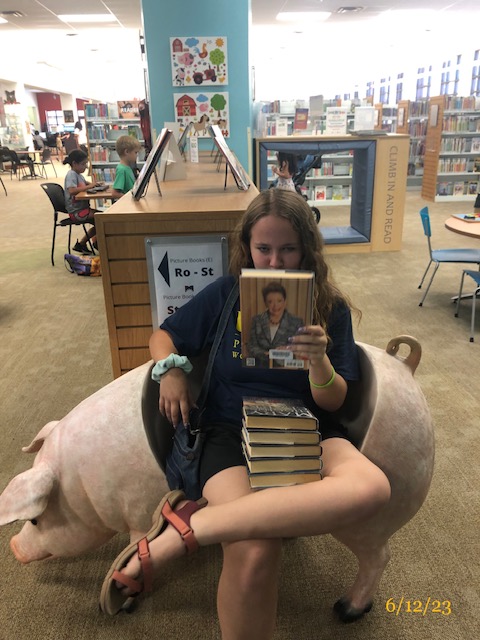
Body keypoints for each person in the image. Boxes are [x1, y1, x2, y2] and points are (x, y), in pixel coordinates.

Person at [100, 189, 391, 638]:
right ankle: (220, 526)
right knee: (255, 549)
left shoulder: (327, 307)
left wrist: (319, 360)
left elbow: (335, 401)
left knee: (373, 487)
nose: (274, 263)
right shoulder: (228, 293)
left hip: (308, 428)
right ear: (247, 247)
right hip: (229, 430)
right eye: (264, 249)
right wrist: (170, 371)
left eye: (288, 249)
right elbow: (164, 335)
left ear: (307, 248)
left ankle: (181, 535)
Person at [246, 281, 304, 368]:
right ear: (265, 303)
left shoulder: (296, 322)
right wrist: (267, 354)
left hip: (288, 368)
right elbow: (251, 346)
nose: (275, 306)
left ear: (285, 302)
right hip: (261, 367)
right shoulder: (257, 320)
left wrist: (287, 350)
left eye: (279, 301)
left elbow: (300, 347)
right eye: (270, 302)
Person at [63, 149, 102, 254]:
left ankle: (82, 244)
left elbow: (86, 184)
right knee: (102, 218)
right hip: (76, 212)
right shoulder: (71, 174)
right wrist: (90, 186)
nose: (85, 167)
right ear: (74, 164)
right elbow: (71, 190)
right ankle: (93, 243)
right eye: (83, 164)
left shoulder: (78, 175)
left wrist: (96, 185)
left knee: (101, 220)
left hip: (82, 209)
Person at [111, 135, 141, 199]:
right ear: (126, 152)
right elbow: (115, 193)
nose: (137, 155)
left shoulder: (128, 167)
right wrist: (131, 199)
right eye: (135, 152)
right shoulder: (122, 170)